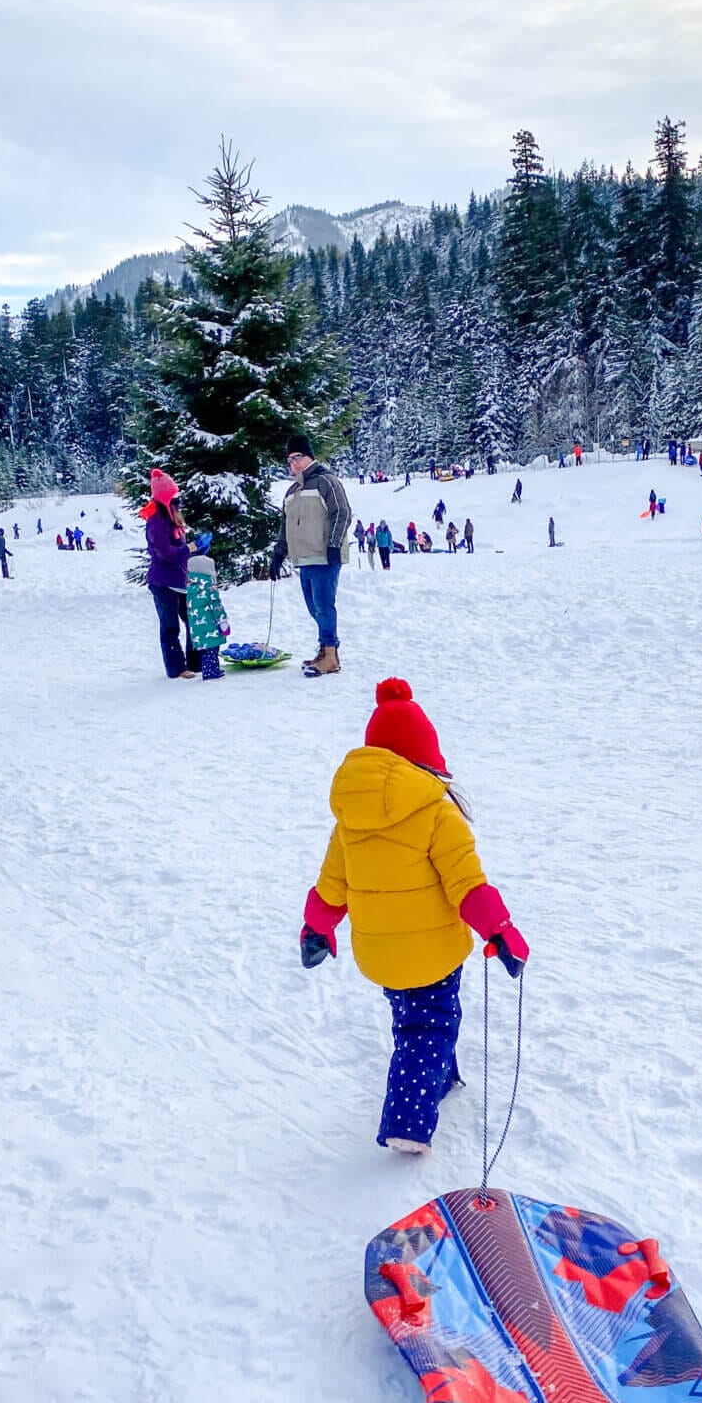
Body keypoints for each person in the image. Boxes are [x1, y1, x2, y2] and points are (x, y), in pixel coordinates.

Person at [297, 678, 528, 1154]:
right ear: (425, 755)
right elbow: (469, 886)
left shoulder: (351, 821)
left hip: (380, 953)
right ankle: (408, 1118)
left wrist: (316, 928)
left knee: (412, 1017)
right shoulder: (439, 815)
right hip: (433, 954)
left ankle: (442, 1077)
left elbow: (330, 887)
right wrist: (500, 931)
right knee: (431, 1026)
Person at [270, 433, 352, 678]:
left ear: (309, 457)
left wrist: (334, 545)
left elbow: (343, 513)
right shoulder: (291, 491)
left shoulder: (327, 481)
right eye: (290, 459)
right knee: (313, 608)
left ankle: (329, 655)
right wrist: (278, 554)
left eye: (298, 457)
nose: (293, 463)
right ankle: (327, 651)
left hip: (324, 556)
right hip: (303, 558)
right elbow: (285, 526)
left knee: (324, 606)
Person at [140, 468, 197, 678]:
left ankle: (196, 661)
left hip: (180, 581)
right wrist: (188, 548)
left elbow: (180, 551)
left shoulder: (174, 517)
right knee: (170, 627)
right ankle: (176, 668)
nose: (177, 499)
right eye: (173, 495)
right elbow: (166, 554)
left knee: (192, 621)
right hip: (163, 583)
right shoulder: (156, 521)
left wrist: (198, 547)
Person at [185, 533, 230, 680]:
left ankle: (207, 669)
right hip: (210, 625)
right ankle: (211, 671)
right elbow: (216, 605)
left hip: (197, 628)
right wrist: (223, 622)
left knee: (205, 650)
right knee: (212, 649)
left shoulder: (191, 588)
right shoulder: (209, 587)